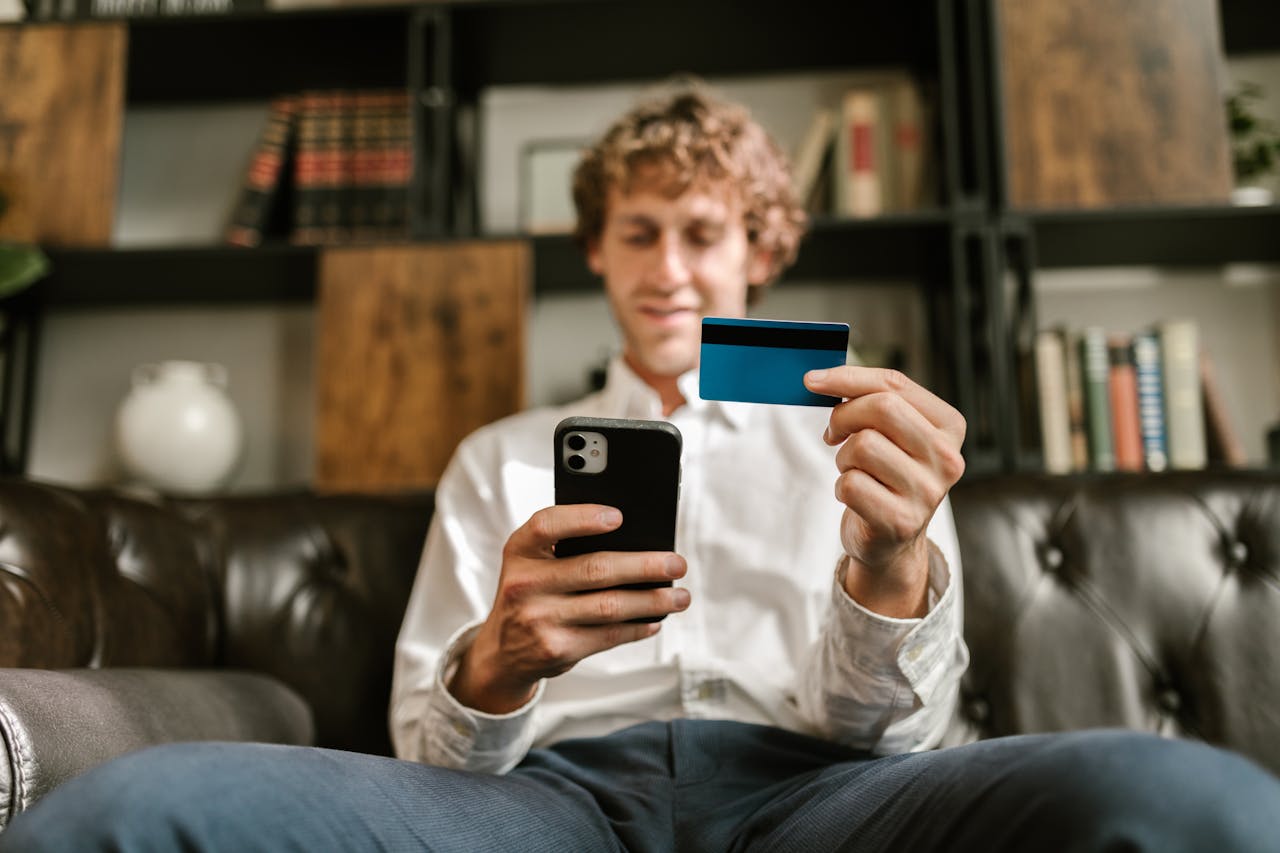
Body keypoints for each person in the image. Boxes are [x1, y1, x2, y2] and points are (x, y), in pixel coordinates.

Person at [4, 82, 1279, 853]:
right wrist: (501, 659)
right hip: (550, 803)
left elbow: (898, 738)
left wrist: (892, 566)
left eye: (702, 233)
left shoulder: (866, 439)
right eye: (638, 232)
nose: (669, 268)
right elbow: (430, 758)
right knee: (141, 807)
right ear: (597, 253)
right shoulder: (500, 459)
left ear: (759, 252)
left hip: (818, 794)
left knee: (1171, 794)